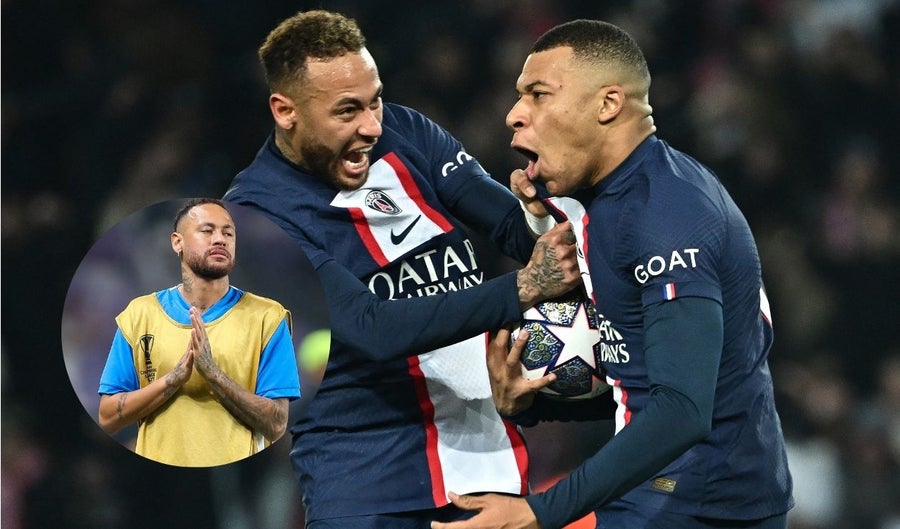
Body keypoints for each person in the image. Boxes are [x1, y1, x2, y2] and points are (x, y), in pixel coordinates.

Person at [223, 9, 582, 528]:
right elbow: (374, 329)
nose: (371, 125)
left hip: (488, 467)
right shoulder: (255, 216)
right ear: (285, 111)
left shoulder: (406, 131)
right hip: (372, 489)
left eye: (375, 100)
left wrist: (537, 216)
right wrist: (525, 286)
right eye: (347, 111)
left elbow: (508, 225)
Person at [433, 19, 794, 529]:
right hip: (660, 490)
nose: (514, 114)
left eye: (538, 94)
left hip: (703, 504)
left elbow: (682, 409)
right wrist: (533, 405)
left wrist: (539, 510)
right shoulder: (609, 199)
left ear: (607, 104)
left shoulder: (667, 214)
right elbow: (640, 378)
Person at [97, 198, 300, 467]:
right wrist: (172, 381)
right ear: (177, 242)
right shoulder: (140, 314)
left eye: (228, 233)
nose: (220, 240)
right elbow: (108, 416)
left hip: (233, 476)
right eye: (207, 231)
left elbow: (277, 424)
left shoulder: (267, 317)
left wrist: (213, 375)